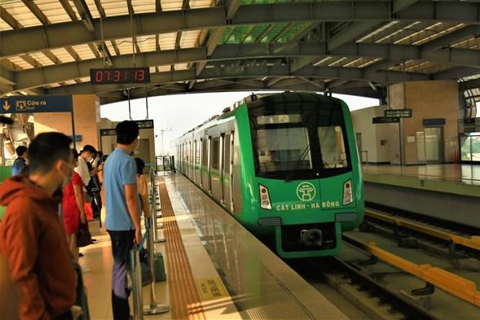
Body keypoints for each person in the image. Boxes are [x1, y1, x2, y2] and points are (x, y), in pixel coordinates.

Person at [0, 132, 78, 319]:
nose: (73, 170)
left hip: (56, 310)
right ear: (61, 167)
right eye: (71, 164)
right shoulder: (24, 209)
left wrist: (63, 304)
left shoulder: (45, 202)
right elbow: (21, 276)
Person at [104, 121, 142, 320]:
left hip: (113, 222)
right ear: (135, 139)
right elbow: (130, 198)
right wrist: (137, 225)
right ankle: (121, 315)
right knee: (120, 269)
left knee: (119, 267)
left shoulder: (110, 160)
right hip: (123, 224)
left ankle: (122, 311)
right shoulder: (127, 162)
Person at [62, 149, 86, 262]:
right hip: (73, 208)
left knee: (67, 237)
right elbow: (77, 194)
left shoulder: (61, 174)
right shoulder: (74, 175)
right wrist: (82, 211)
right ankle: (74, 264)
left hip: (64, 207)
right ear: (74, 160)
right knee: (74, 238)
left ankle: (67, 263)